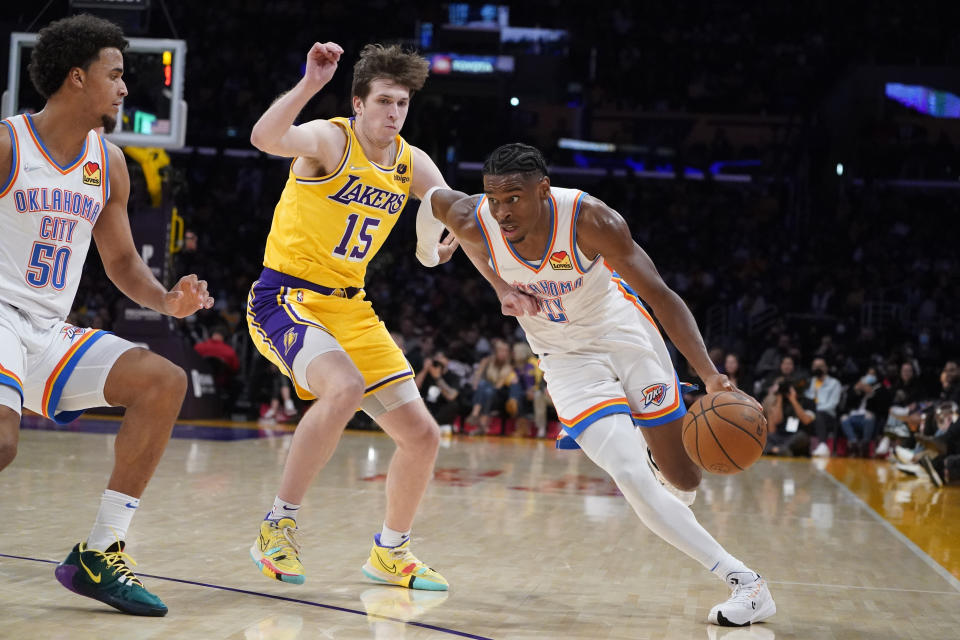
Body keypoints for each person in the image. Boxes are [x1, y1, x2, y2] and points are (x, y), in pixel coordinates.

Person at [418, 143, 775, 626]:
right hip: (566, 360)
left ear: (543, 190)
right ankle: (747, 583)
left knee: (684, 479)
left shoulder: (590, 220)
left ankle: (659, 453)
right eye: (494, 199)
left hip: (624, 334)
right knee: (630, 476)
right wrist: (434, 257)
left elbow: (661, 295)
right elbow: (430, 199)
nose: (501, 212)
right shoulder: (473, 216)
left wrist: (710, 375)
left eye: (514, 198)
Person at [0, 15, 213, 616]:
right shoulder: (8, 144)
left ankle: (99, 553)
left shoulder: (109, 163)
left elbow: (120, 260)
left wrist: (167, 299)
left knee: (162, 382)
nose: (124, 88)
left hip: (46, 329)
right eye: (115, 74)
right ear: (76, 77)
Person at [245, 41, 461, 590]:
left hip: (352, 309)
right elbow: (266, 138)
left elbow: (452, 210)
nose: (394, 114)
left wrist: (447, 246)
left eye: (403, 104)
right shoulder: (330, 139)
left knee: (423, 436)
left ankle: (391, 552)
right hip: (285, 298)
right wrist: (310, 85)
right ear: (358, 104)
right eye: (384, 102)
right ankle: (277, 526)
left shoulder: (412, 161)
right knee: (343, 388)